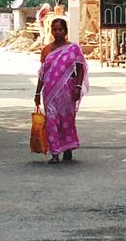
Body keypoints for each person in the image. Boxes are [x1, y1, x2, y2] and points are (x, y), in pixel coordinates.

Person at [35, 15, 87, 163]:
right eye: (54, 29)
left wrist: (78, 87)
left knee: (66, 120)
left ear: (65, 31)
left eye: (60, 29)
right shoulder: (46, 50)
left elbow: (80, 68)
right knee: (51, 120)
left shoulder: (73, 48)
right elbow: (42, 72)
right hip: (49, 92)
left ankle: (68, 147)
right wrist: (38, 92)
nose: (57, 32)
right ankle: (55, 153)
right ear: (51, 31)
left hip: (67, 91)